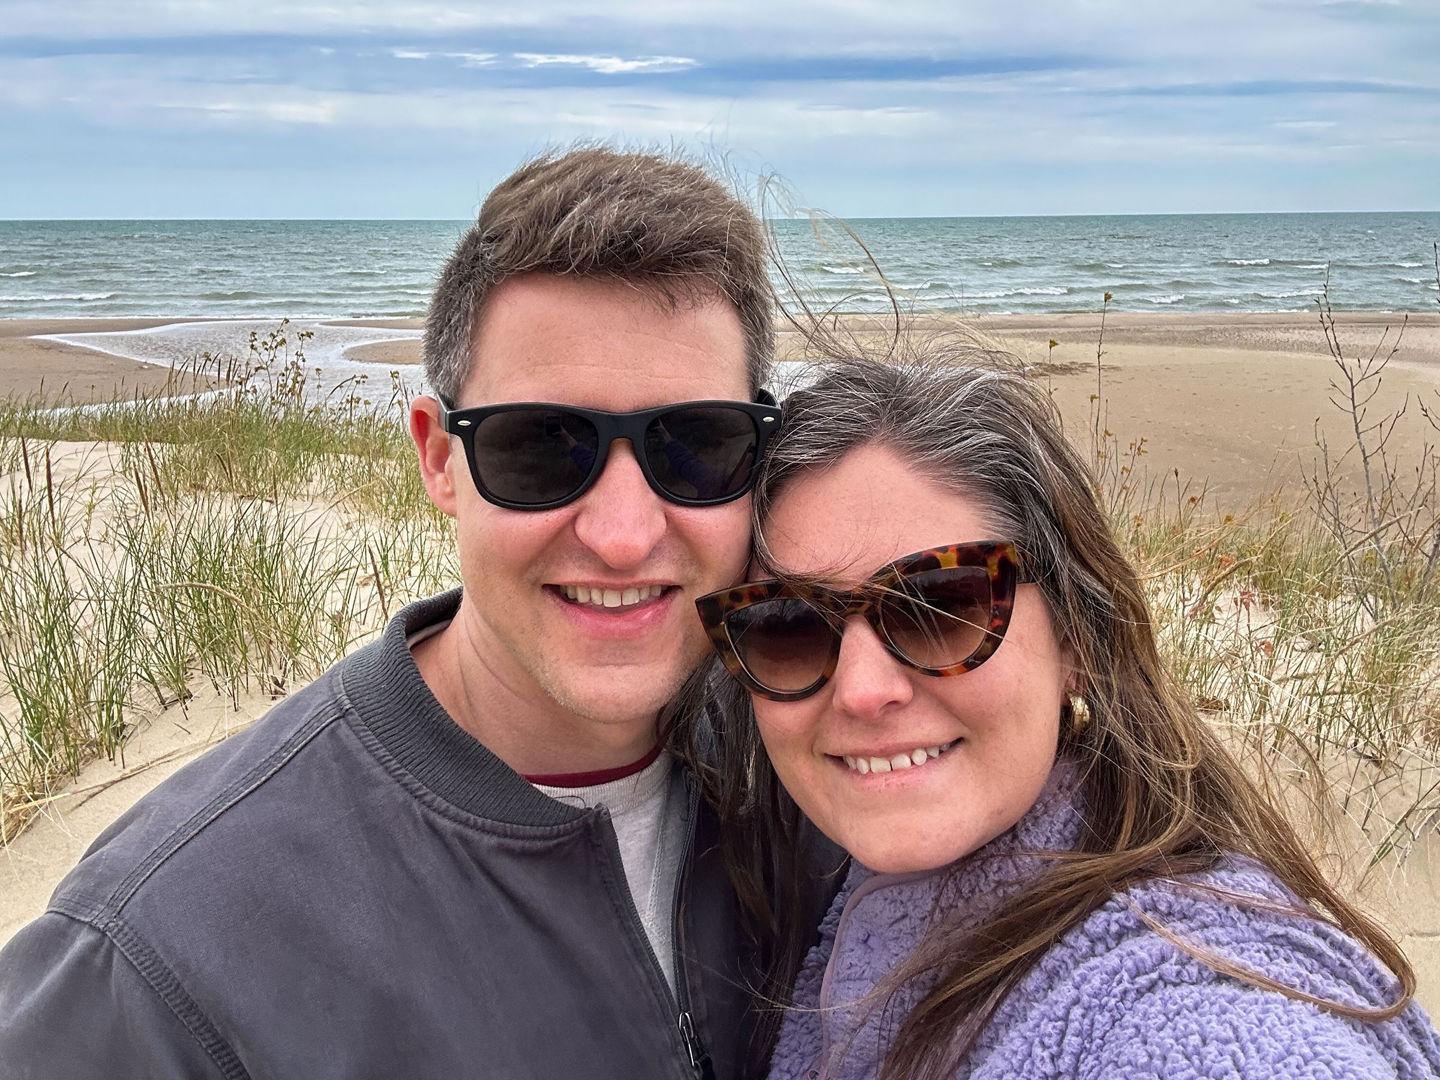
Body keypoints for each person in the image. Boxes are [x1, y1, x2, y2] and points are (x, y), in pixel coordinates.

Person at [0, 148, 823, 1080]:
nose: (626, 535)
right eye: (543, 447)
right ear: (440, 460)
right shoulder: (165, 953)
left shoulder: (822, 764)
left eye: (696, 444)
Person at [694, 354, 1440, 1079]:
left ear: (1077, 638)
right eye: (787, 622)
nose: (862, 690)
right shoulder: (818, 893)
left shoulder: (1196, 1007)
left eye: (939, 606)